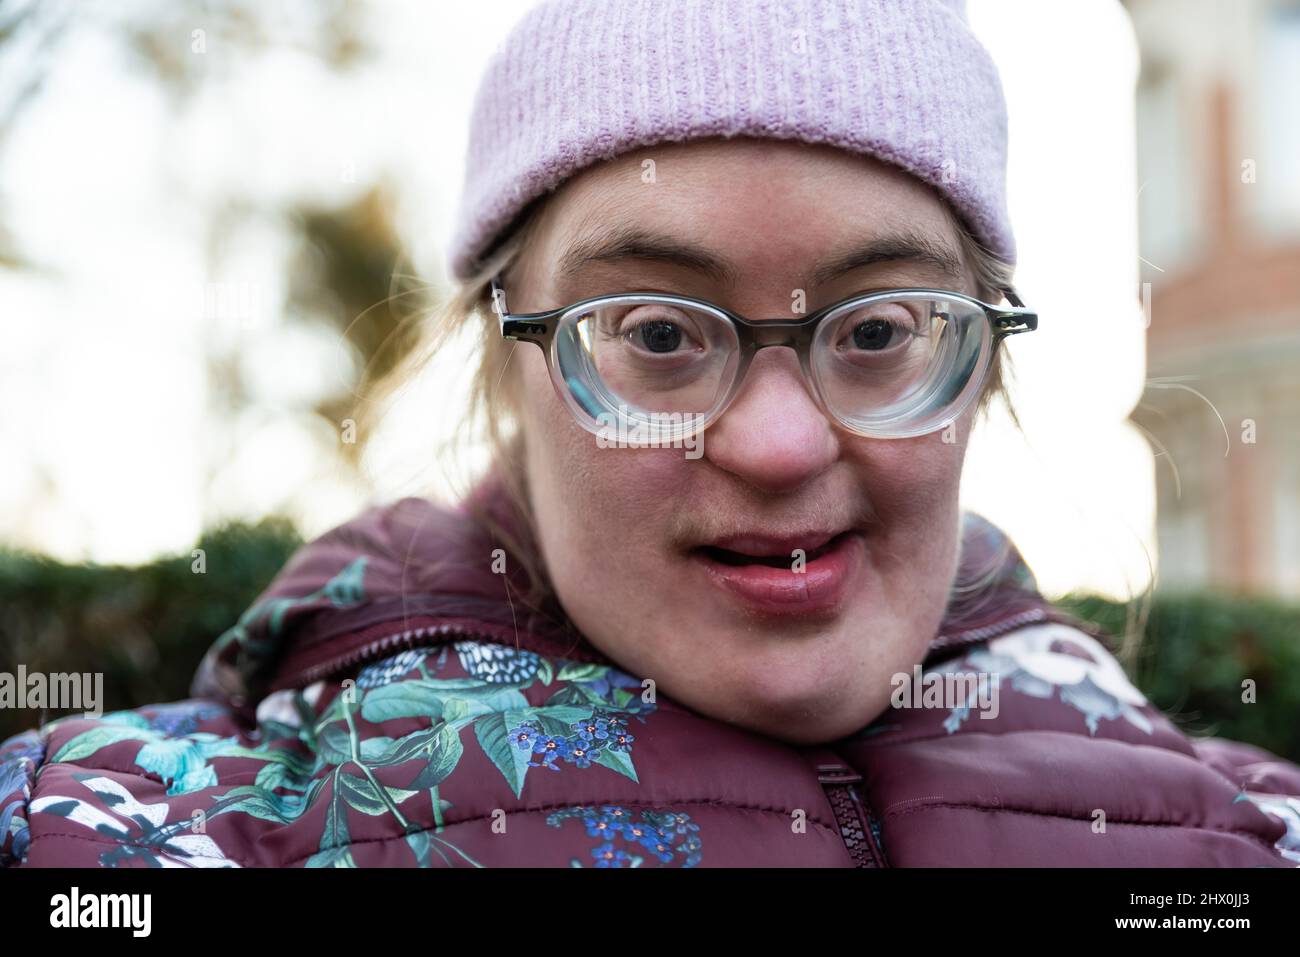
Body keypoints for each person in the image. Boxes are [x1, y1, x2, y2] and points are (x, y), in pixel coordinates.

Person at [3, 0, 1298, 868]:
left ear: (980, 363)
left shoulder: (1251, 840)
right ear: (508, 371)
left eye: (879, 329)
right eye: (663, 337)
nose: (780, 444)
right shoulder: (113, 834)